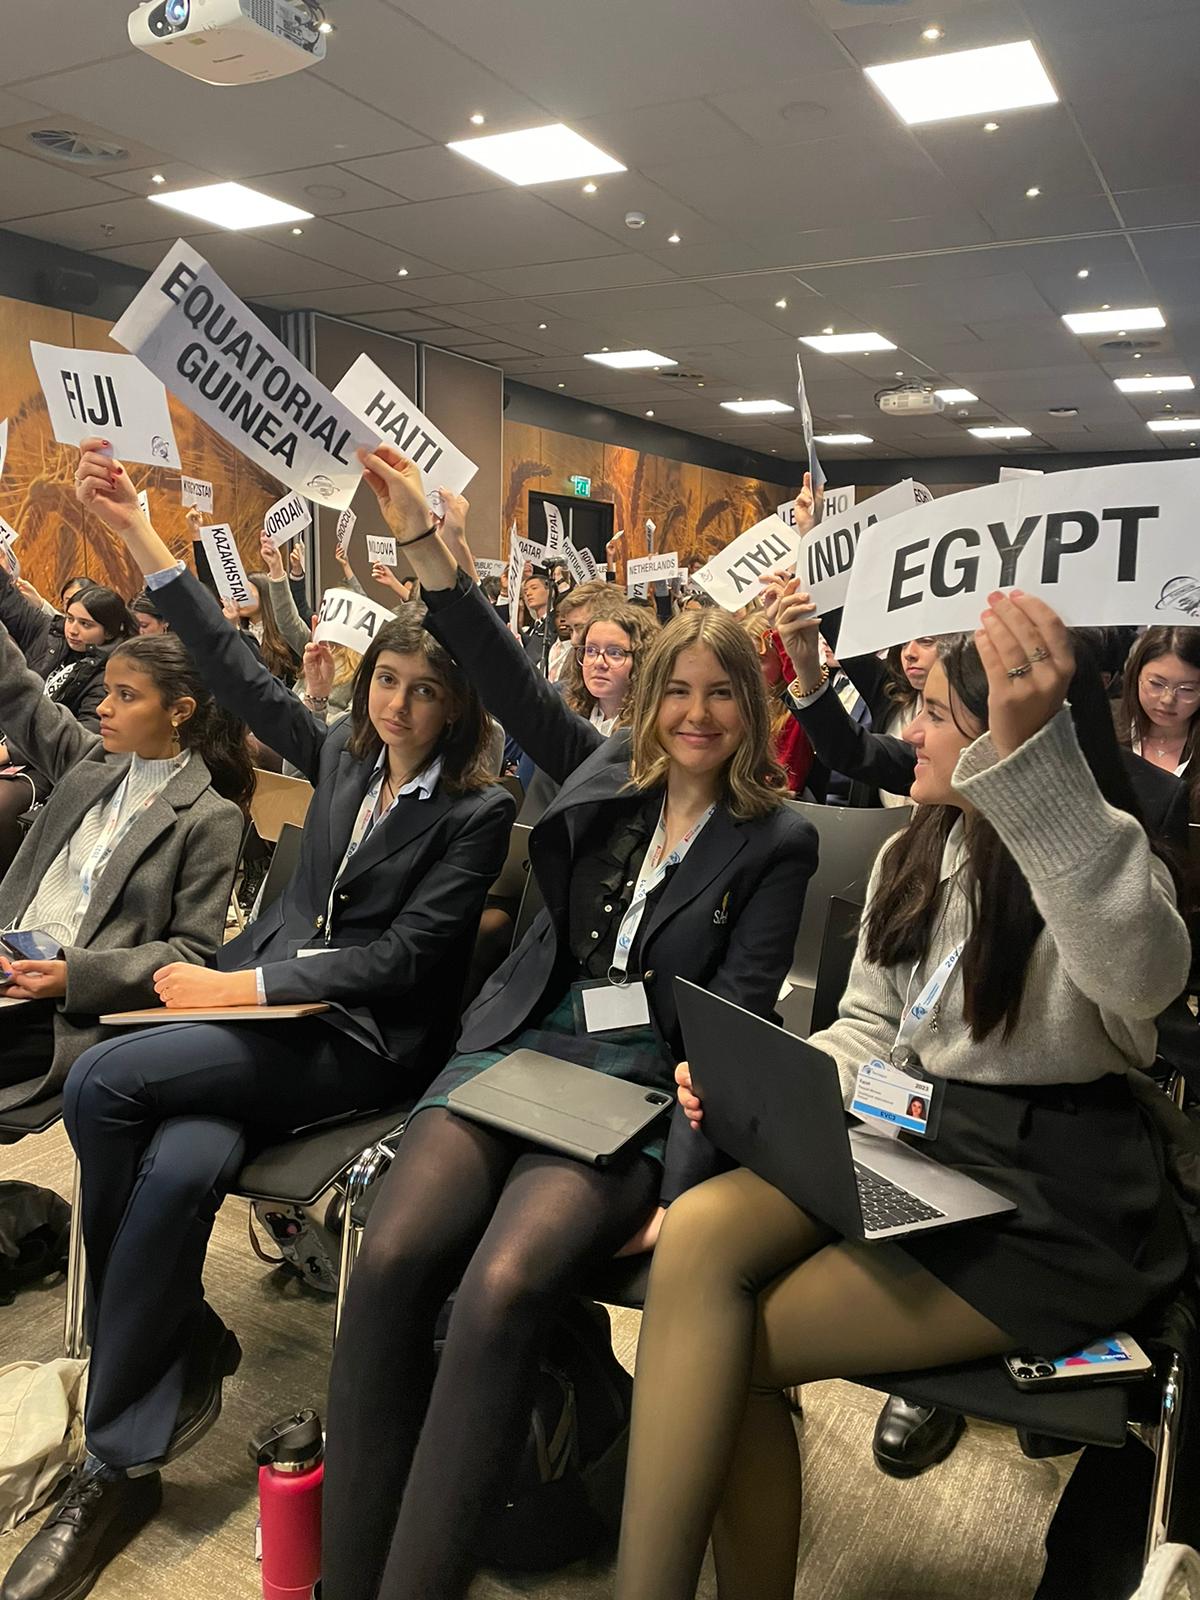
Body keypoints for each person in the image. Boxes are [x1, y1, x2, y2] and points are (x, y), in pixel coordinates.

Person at [0, 439, 515, 1600]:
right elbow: (235, 672)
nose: (401, 706)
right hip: (270, 1024)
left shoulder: (477, 813)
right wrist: (139, 536)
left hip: (355, 1043)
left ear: (459, 703)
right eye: (388, 682)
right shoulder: (341, 751)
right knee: (181, 1169)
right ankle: (128, 1448)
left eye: (428, 690)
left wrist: (247, 988)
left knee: (101, 1084)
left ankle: (149, 1380)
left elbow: (406, 958)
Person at [612, 590, 1190, 1600]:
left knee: (729, 1349)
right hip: (913, 1131)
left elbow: (1144, 979)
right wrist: (772, 1083)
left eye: (931, 712)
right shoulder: (914, 846)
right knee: (700, 1231)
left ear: (1007, 734)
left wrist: (1041, 773)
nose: (903, 731)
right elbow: (872, 1032)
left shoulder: (1096, 854)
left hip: (1048, 1198)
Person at [316, 443, 819, 1600]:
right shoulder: (599, 775)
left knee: (501, 1289)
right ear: (647, 700)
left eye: (721, 692)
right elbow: (497, 669)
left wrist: (682, 1196)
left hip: (637, 1086)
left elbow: (730, 1032)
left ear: (749, 708)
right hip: (523, 1047)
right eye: (677, 690)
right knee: (391, 1255)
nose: (697, 712)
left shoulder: (777, 841)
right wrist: (428, 547)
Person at [0, 617, 250, 1108]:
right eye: (108, 691)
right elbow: (20, 697)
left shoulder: (209, 817)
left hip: (65, 1011)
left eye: (126, 696)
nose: (104, 707)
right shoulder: (92, 764)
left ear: (179, 711)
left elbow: (189, 956)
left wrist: (76, 974)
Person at [1118, 626, 1200, 819]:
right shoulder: (1105, 728)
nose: (1167, 699)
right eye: (1156, 684)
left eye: (1186, 690)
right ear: (1136, 676)